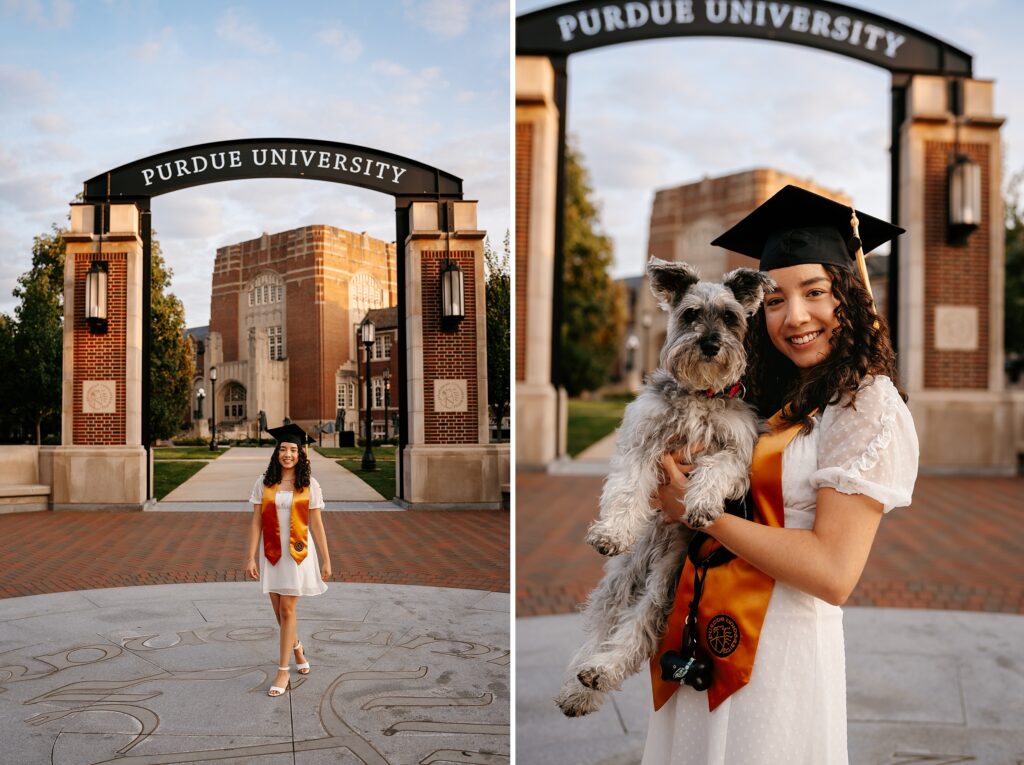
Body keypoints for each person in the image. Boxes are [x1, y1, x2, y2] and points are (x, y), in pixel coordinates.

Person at [642, 185, 920, 764]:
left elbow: (832, 573)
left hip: (777, 656)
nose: (794, 318)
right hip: (701, 639)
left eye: (815, 292)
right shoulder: (768, 392)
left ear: (849, 293)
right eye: (774, 301)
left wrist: (701, 513)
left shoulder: (866, 404)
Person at [245, 422, 332, 698]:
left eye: (293, 450)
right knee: (279, 612)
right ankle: (296, 648)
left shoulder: (309, 484)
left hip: (298, 553)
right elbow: (256, 521)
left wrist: (326, 560)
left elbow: (316, 524)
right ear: (276, 452)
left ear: (300, 454)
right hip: (272, 553)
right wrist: (250, 556)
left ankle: (283, 671)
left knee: (287, 611)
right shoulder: (264, 482)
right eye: (283, 449)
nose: (288, 454)